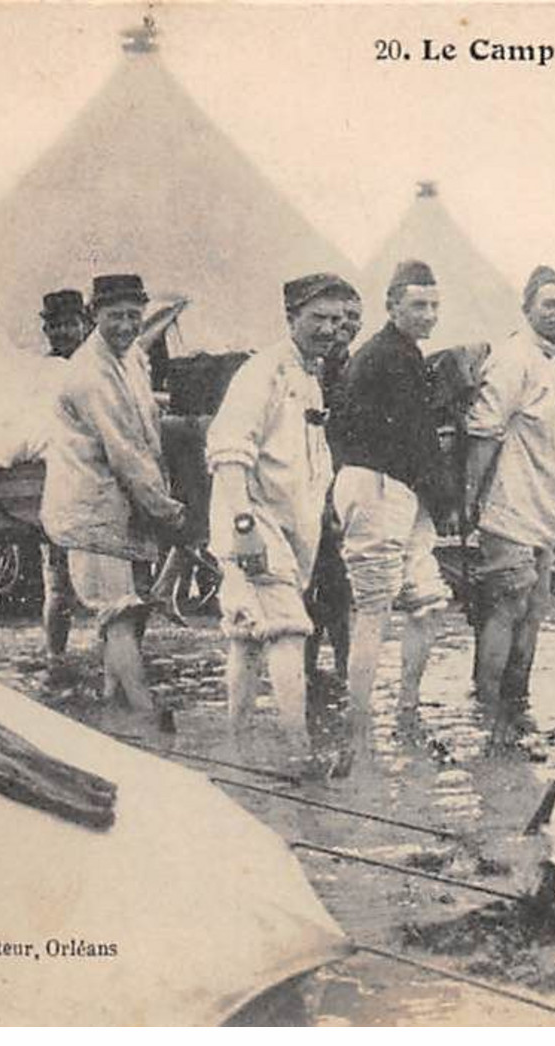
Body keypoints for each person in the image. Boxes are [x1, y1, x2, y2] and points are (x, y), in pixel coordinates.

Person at [207, 274, 346, 773]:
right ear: (291, 319)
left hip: (290, 525)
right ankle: (298, 749)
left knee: (245, 635)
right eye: (318, 319)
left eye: (337, 319)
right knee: (288, 631)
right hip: (254, 520)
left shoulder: (310, 375)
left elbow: (307, 455)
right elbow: (228, 451)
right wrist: (244, 527)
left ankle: (236, 747)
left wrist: (324, 508)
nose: (330, 329)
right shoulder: (260, 373)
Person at [41, 274, 187, 724]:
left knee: (123, 612)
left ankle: (114, 708)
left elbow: (147, 423)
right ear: (93, 317)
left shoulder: (133, 359)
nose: (125, 325)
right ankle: (145, 713)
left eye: (132, 316)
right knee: (119, 615)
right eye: (114, 316)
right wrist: (169, 509)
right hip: (90, 508)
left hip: (117, 507)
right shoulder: (89, 374)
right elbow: (125, 451)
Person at [325, 260, 448, 756]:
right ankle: (359, 724)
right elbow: (410, 438)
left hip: (397, 488)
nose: (428, 314)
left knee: (427, 600)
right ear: (392, 306)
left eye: (435, 305)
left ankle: (406, 708)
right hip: (375, 484)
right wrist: (444, 494)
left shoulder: (401, 354)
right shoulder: (384, 357)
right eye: (418, 305)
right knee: (373, 610)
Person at [465, 266, 555, 736]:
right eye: (549, 303)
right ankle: (488, 714)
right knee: (504, 609)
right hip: (507, 508)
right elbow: (483, 431)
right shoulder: (513, 358)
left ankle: (517, 709)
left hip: (544, 513)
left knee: (533, 612)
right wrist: (470, 501)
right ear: (527, 306)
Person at [304, 286, 361, 695]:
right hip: (309, 490)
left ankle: (344, 673)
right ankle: (306, 673)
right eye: (339, 318)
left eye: (353, 318)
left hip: (342, 488)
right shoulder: (310, 367)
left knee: (340, 590)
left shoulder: (355, 367)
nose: (345, 326)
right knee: (307, 588)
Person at [37, 289, 91, 655]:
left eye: (69, 324)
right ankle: (55, 654)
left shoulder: (100, 364)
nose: (62, 332)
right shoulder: (40, 371)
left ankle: (116, 659)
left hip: (98, 482)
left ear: (85, 325)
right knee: (58, 584)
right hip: (59, 479)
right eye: (54, 326)